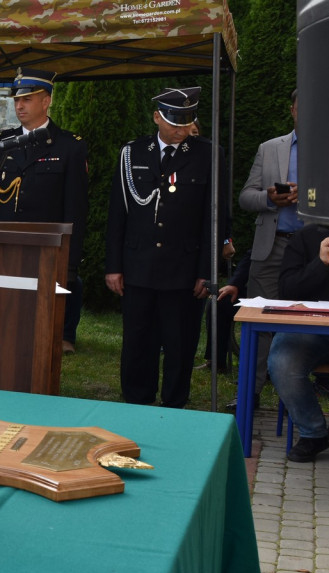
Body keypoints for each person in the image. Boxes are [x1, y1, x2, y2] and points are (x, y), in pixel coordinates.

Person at [105, 87, 214, 409]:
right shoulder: (133, 153)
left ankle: (174, 401)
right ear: (157, 117)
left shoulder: (207, 153)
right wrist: (114, 265)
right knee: (138, 340)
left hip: (183, 266)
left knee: (180, 342)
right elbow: (117, 214)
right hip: (138, 263)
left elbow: (214, 217)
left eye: (187, 121)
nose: (180, 128)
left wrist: (206, 271)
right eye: (174, 121)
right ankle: (137, 399)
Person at [0, 68, 89, 354]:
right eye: (17, 99)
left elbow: (75, 209)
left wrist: (69, 261)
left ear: (47, 101)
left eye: (28, 99)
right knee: (9, 324)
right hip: (7, 247)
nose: (19, 105)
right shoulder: (2, 144)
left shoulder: (70, 147)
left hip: (47, 249)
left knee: (42, 328)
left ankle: (57, 340)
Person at [236, 89, 301, 409]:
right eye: (303, 108)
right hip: (272, 246)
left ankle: (299, 398)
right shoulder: (270, 148)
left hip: (317, 253)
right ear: (292, 110)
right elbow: (245, 197)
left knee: (309, 325)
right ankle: (250, 393)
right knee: (259, 322)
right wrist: (269, 199)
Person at [267, 224, 329, 462]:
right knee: (282, 361)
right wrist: (320, 262)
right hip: (310, 330)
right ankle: (313, 433)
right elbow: (288, 290)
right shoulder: (306, 236)